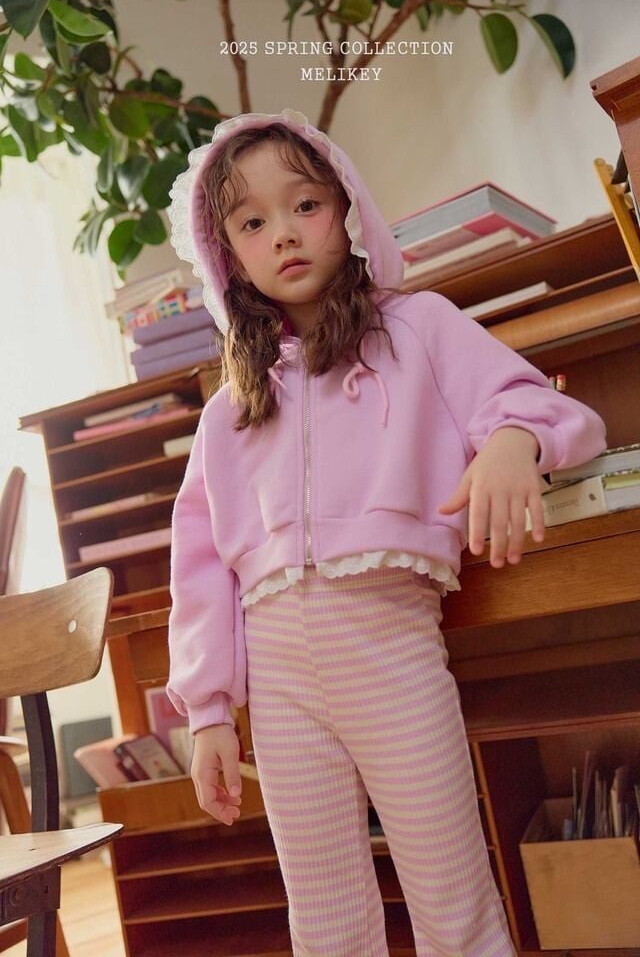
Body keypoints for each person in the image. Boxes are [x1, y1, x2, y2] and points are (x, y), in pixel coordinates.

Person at [165, 108, 607, 957]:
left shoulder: (420, 328)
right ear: (228, 256)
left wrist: (513, 443)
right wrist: (209, 712)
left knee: (453, 898)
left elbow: (546, 408)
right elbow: (200, 566)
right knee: (324, 921)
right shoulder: (229, 411)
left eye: (305, 205)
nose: (283, 233)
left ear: (347, 209)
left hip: (393, 651)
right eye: (252, 223)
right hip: (280, 684)